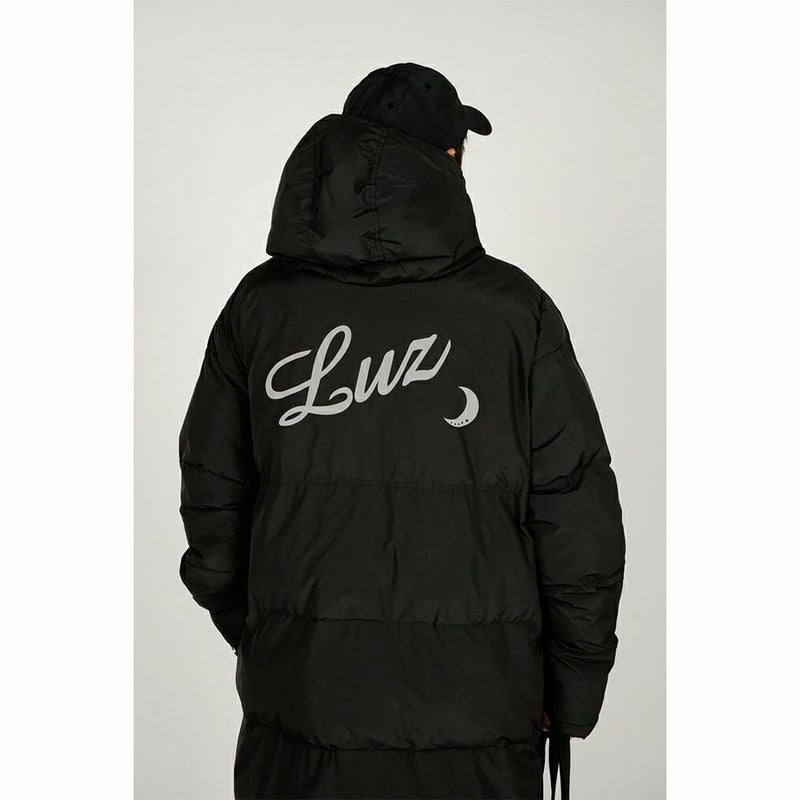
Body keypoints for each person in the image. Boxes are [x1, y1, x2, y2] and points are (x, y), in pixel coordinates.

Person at [179, 62, 625, 800]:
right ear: (449, 157)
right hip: (482, 718)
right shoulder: (515, 313)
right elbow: (577, 519)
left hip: (304, 714)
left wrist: (279, 636)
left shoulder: (260, 308)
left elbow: (213, 501)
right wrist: (572, 687)